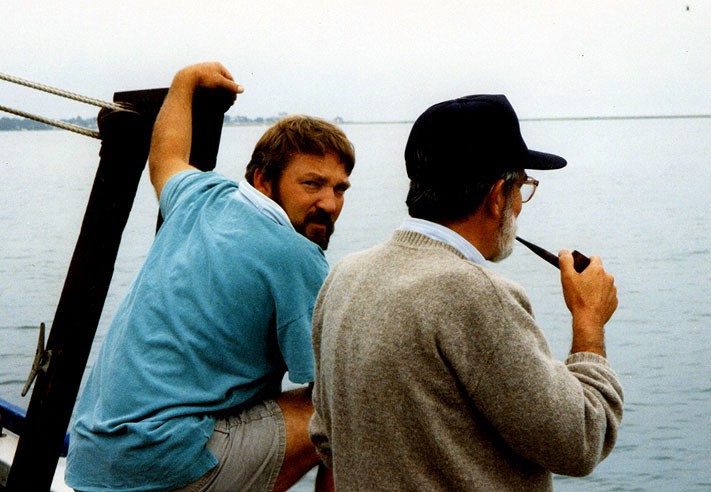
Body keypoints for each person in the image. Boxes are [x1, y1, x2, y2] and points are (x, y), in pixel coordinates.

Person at [309, 95, 623, 491]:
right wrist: (589, 320)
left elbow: (325, 436)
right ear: (496, 196)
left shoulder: (345, 275)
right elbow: (581, 439)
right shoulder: (476, 293)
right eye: (522, 188)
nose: (520, 207)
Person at [65, 62, 354, 492]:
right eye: (313, 184)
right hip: (162, 463)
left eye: (340, 188)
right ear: (263, 180)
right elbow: (330, 391)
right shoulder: (299, 258)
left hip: (90, 457)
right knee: (341, 407)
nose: (329, 204)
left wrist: (186, 81)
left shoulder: (203, 197)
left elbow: (166, 154)